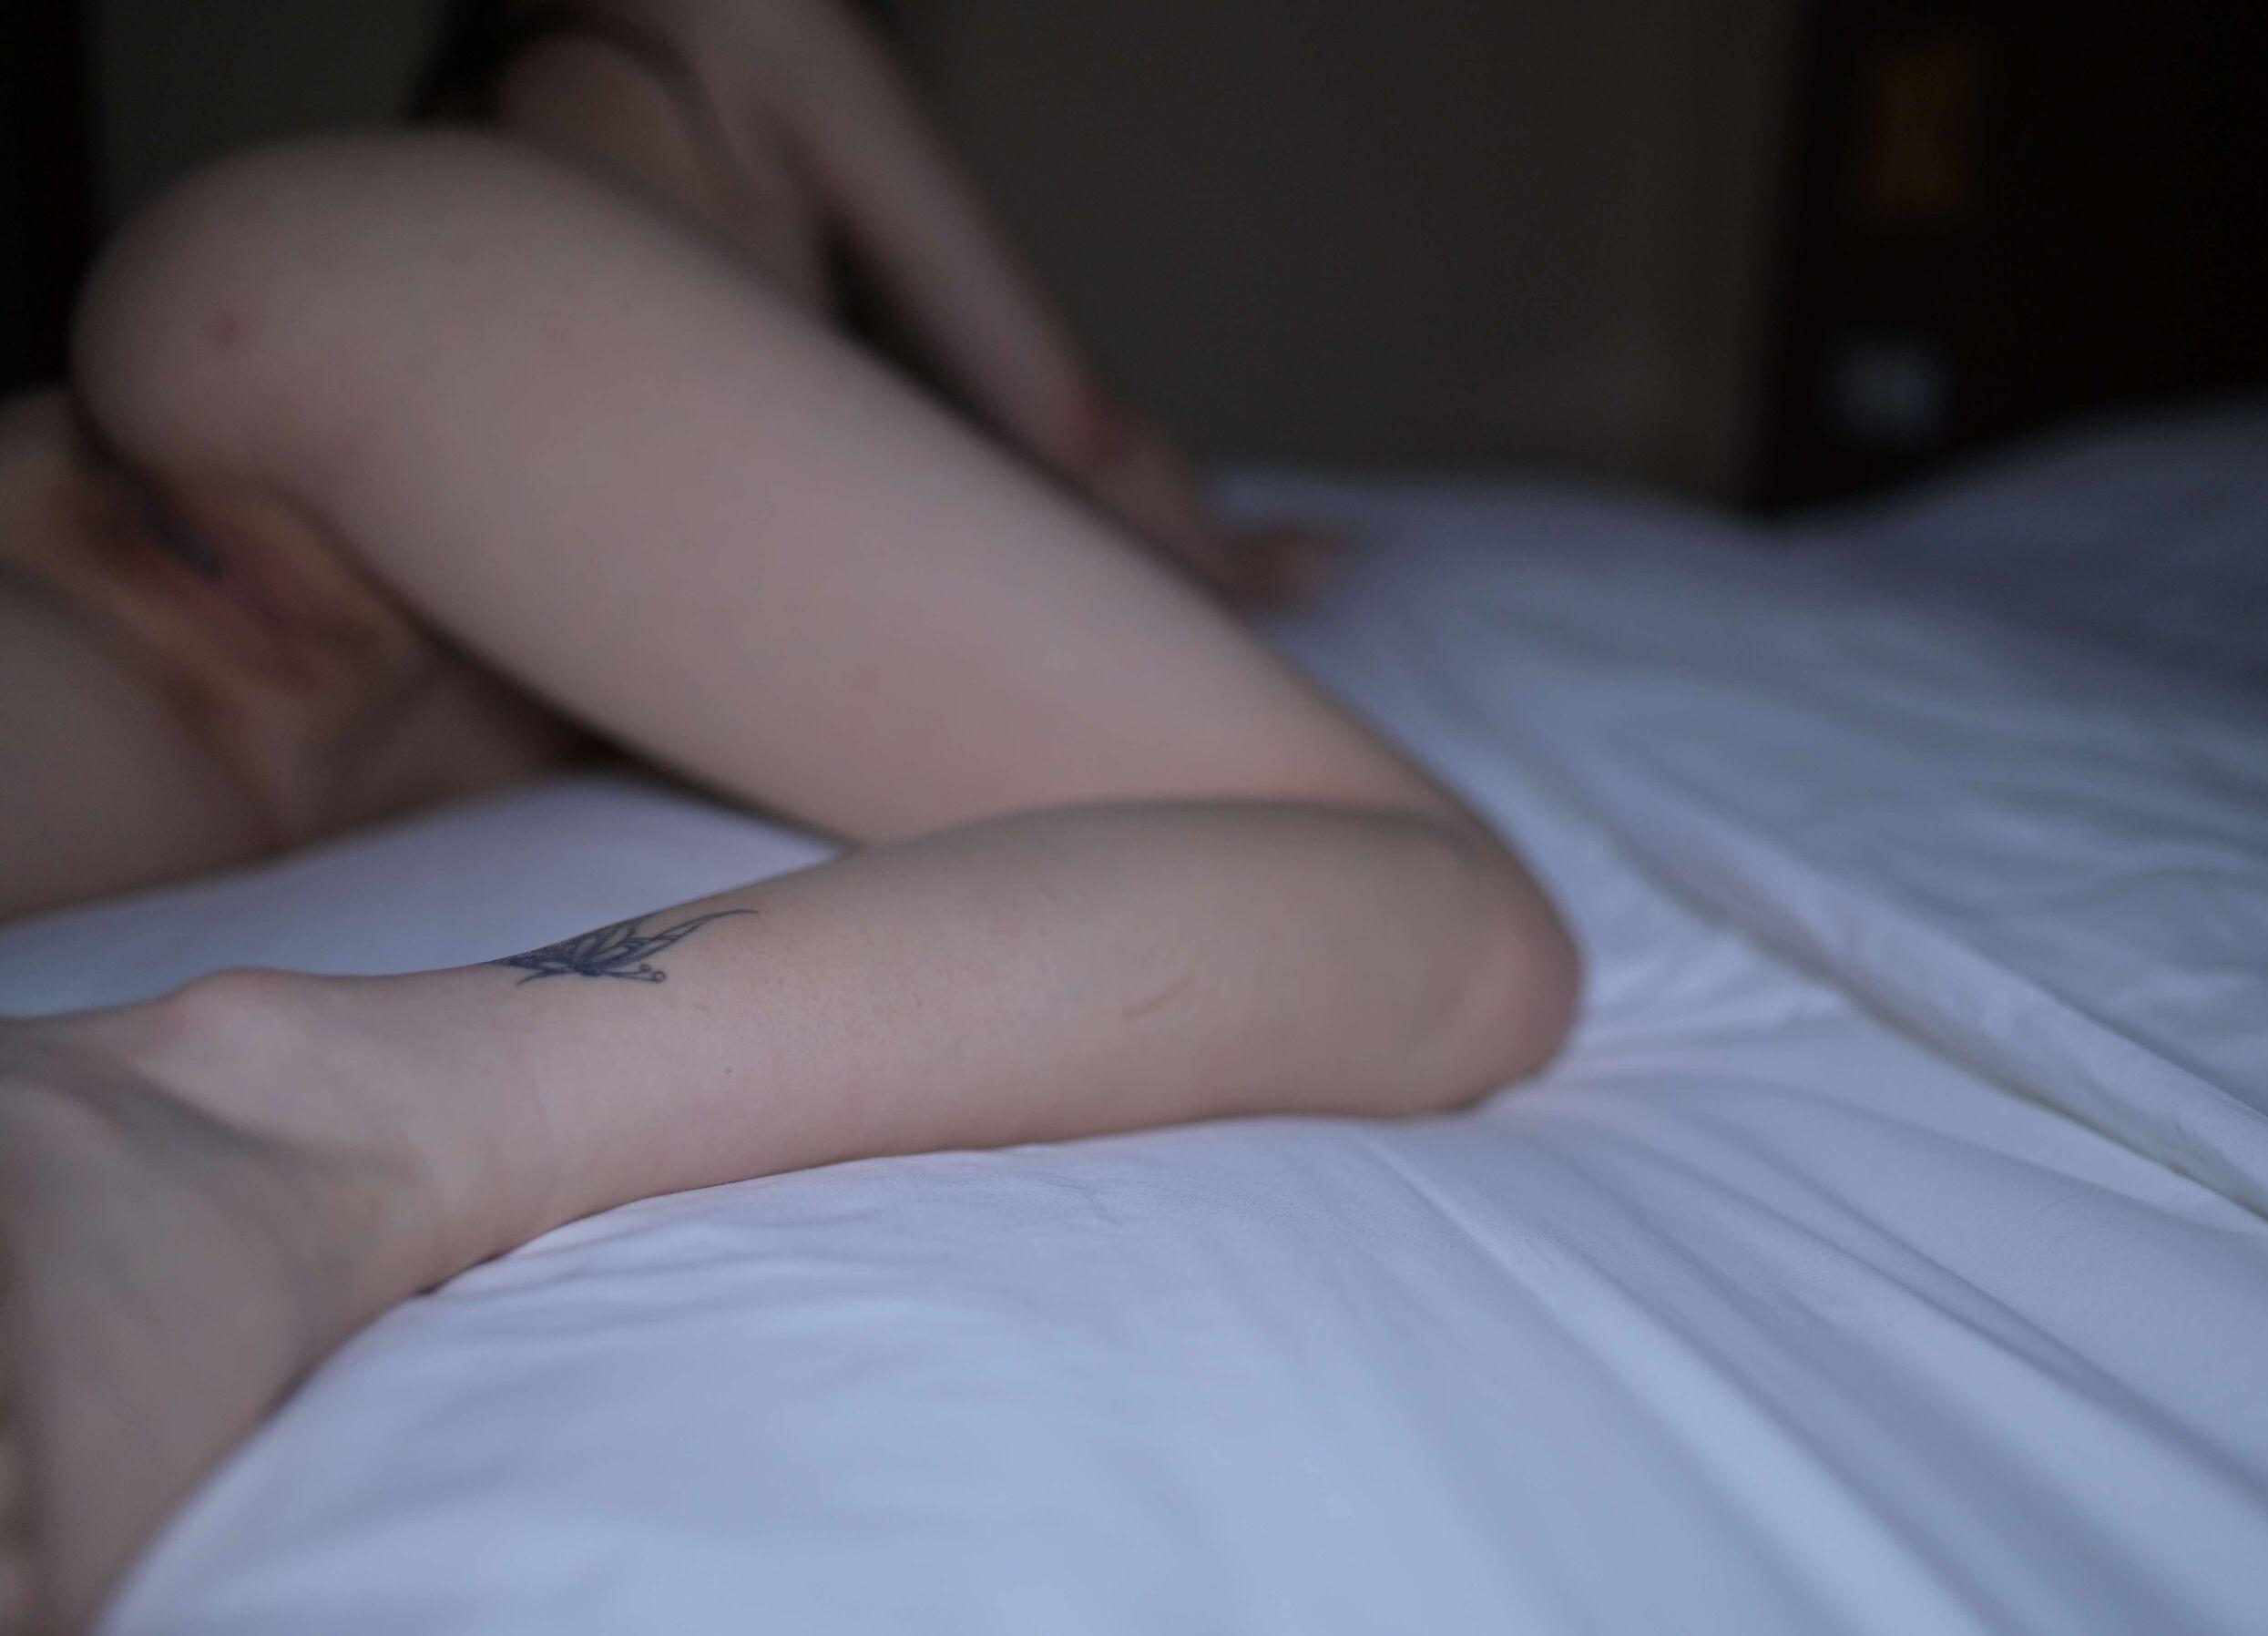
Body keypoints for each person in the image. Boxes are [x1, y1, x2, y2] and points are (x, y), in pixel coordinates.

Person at [0, 2, 1581, 1628]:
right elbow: (1085, 431)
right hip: (348, 329)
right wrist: (1208, 563)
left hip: (181, 476)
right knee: (1449, 911)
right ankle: (281, 1113)